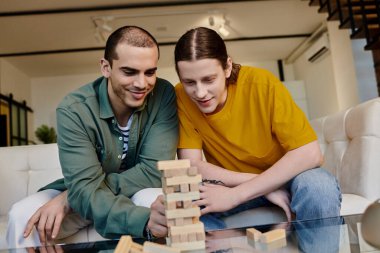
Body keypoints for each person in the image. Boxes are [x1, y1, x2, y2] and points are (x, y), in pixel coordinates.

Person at [6, 25, 177, 248]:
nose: (142, 83)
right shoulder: (73, 109)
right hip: (86, 194)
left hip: (133, 190)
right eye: (129, 72)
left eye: (150, 72)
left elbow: (154, 172)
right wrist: (79, 192)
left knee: (156, 202)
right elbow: (85, 188)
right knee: (22, 216)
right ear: (106, 67)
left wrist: (70, 197)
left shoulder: (163, 94)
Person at [173, 27, 341, 228]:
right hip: (233, 182)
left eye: (209, 80)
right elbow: (192, 166)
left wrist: (236, 195)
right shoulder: (181, 96)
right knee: (183, 204)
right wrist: (263, 186)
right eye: (189, 82)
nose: (200, 93)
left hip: (288, 179)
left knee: (319, 187)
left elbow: (310, 153)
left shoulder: (262, 83)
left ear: (227, 67)